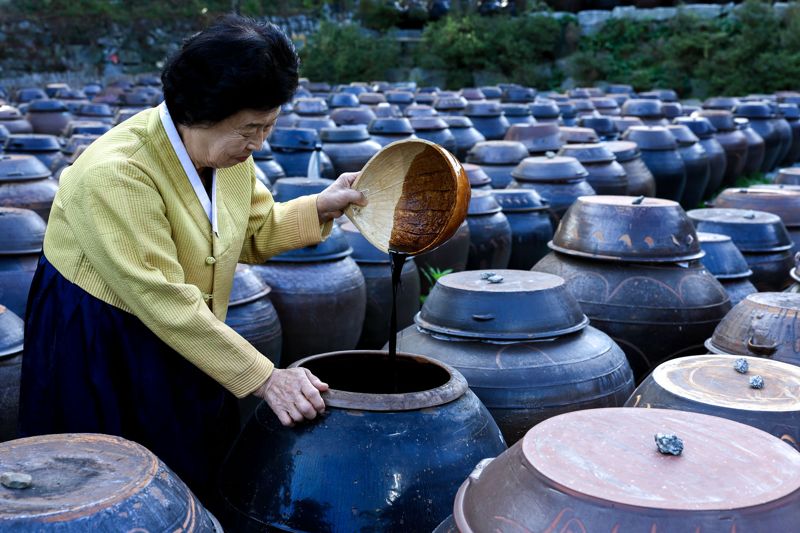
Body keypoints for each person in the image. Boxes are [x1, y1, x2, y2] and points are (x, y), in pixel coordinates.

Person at [18, 14, 366, 510]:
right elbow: (160, 298)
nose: (259, 144)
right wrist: (266, 377)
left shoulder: (227, 158)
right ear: (200, 111)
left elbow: (251, 229)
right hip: (103, 335)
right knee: (113, 482)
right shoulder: (117, 173)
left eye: (268, 127)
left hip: (183, 324)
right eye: (250, 128)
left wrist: (321, 205)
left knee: (189, 463)